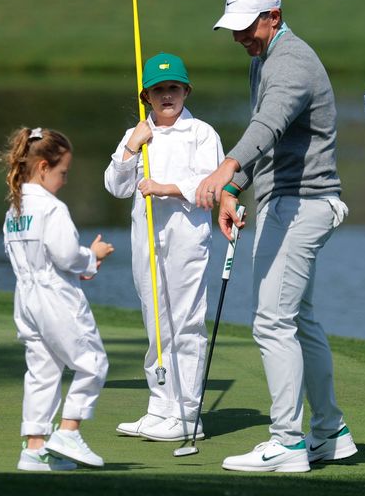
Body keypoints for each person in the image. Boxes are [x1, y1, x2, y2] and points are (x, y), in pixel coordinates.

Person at [197, 0, 357, 472]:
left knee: (272, 321)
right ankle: (330, 433)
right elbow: (269, 144)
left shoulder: (290, 63)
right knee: (299, 320)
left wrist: (225, 166)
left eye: (248, 27)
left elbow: (267, 126)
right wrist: (234, 187)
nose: (241, 37)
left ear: (274, 16)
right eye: (234, 29)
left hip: (300, 204)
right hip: (293, 201)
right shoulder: (264, 60)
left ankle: (287, 442)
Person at [104, 52, 224, 443]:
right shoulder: (137, 133)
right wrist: (131, 149)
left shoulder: (202, 133)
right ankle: (160, 407)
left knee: (185, 323)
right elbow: (116, 186)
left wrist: (164, 188)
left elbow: (209, 185)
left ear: (186, 90)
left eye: (174, 88)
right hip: (147, 240)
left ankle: (187, 415)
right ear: (147, 97)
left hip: (187, 240)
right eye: (159, 90)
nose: (167, 95)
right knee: (155, 323)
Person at [2, 127, 115, 471]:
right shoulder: (52, 208)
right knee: (93, 362)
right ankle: (68, 431)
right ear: (43, 168)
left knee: (43, 370)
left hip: (26, 299)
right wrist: (91, 257)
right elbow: (66, 255)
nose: (65, 180)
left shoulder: (15, 210)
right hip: (55, 297)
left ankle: (35, 447)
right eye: (63, 172)